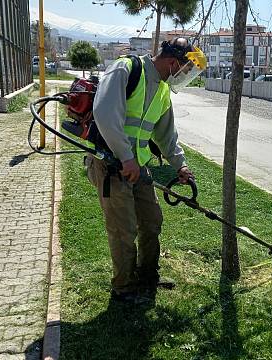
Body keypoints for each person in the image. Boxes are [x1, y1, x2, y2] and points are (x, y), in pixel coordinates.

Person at [87, 38, 207, 303]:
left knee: (151, 222)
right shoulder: (126, 69)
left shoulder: (163, 90)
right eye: (186, 70)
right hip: (111, 165)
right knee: (123, 229)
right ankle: (124, 288)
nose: (184, 76)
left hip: (137, 167)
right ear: (174, 63)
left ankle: (148, 276)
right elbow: (105, 114)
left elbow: (166, 135)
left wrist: (181, 165)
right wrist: (126, 157)